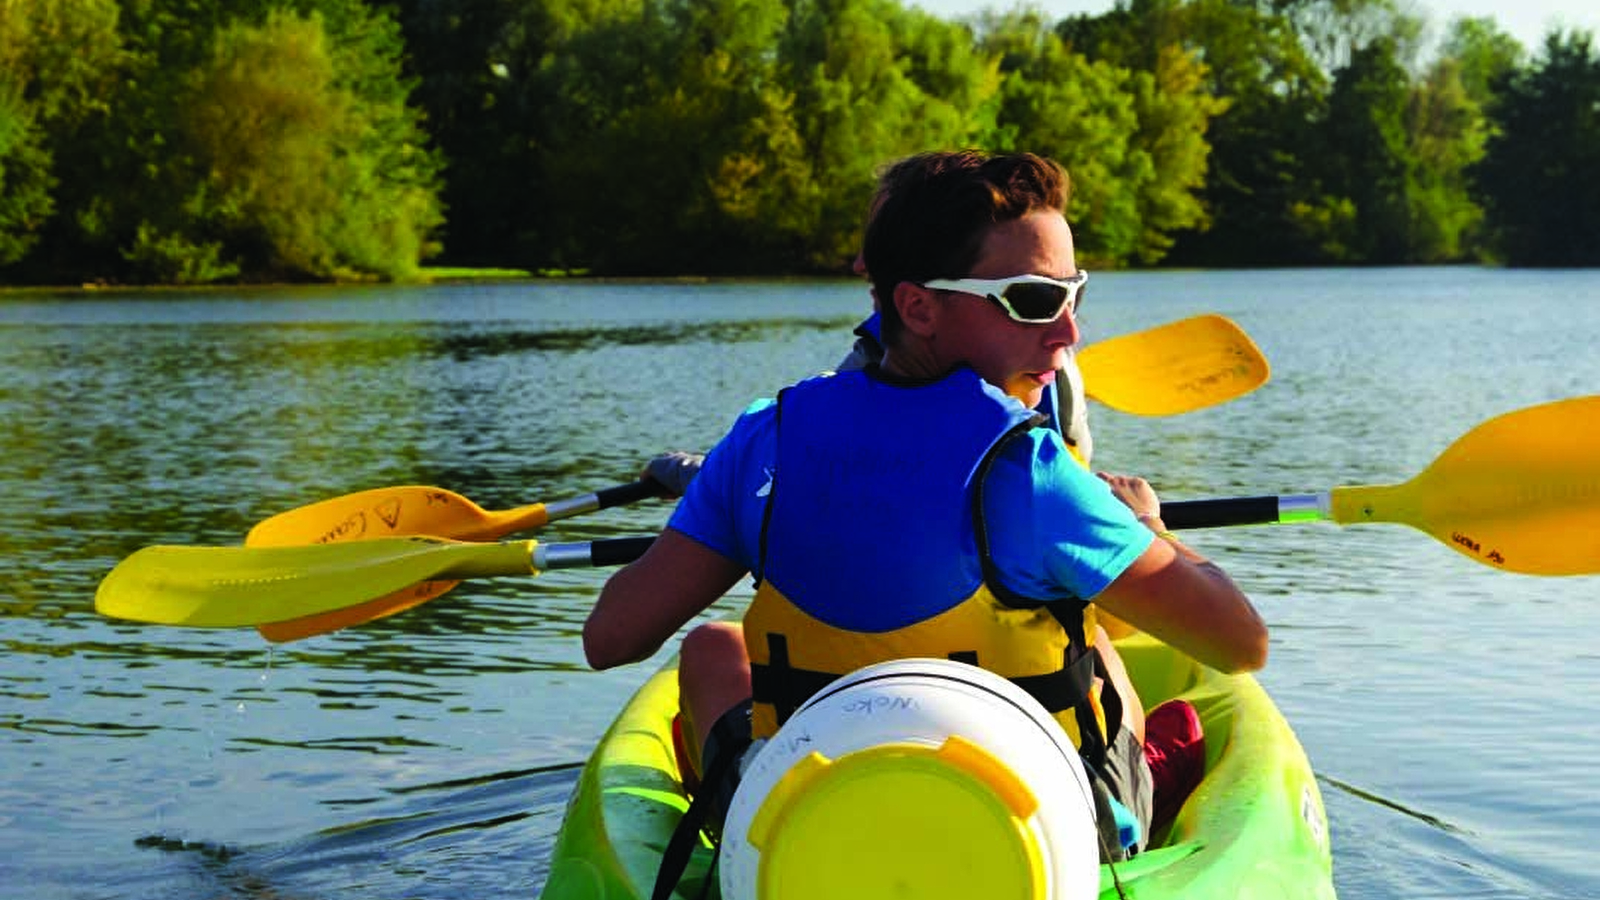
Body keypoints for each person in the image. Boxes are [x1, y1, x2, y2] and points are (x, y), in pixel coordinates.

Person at [584, 150, 1267, 864]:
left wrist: (728, 515)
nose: (1068, 335)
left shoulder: (764, 439)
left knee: (711, 647)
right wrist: (1145, 525)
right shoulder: (1031, 469)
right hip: (1021, 848)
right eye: (1033, 300)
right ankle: (1149, 776)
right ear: (916, 306)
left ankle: (730, 804)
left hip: (808, 839)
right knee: (1095, 647)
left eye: (1074, 295)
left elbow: (610, 638)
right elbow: (1241, 643)